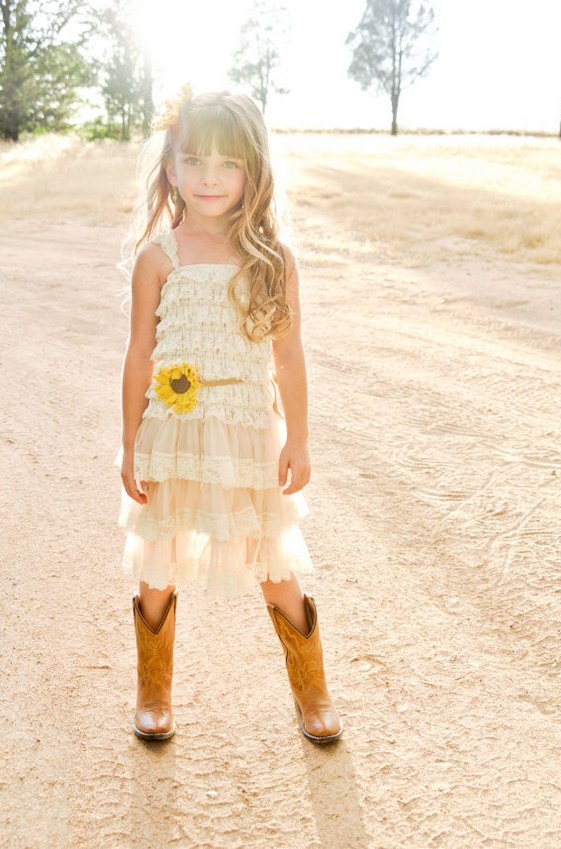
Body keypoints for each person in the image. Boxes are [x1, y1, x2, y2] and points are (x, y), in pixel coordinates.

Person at [114, 82, 344, 745]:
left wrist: (297, 438)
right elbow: (137, 357)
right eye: (194, 161)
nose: (208, 178)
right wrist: (129, 443)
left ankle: (313, 691)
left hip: (246, 431)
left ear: (254, 169)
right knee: (158, 557)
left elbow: (290, 357)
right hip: (173, 433)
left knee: (275, 564)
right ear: (170, 168)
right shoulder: (158, 258)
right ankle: (154, 690)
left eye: (228, 163)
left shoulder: (273, 260)